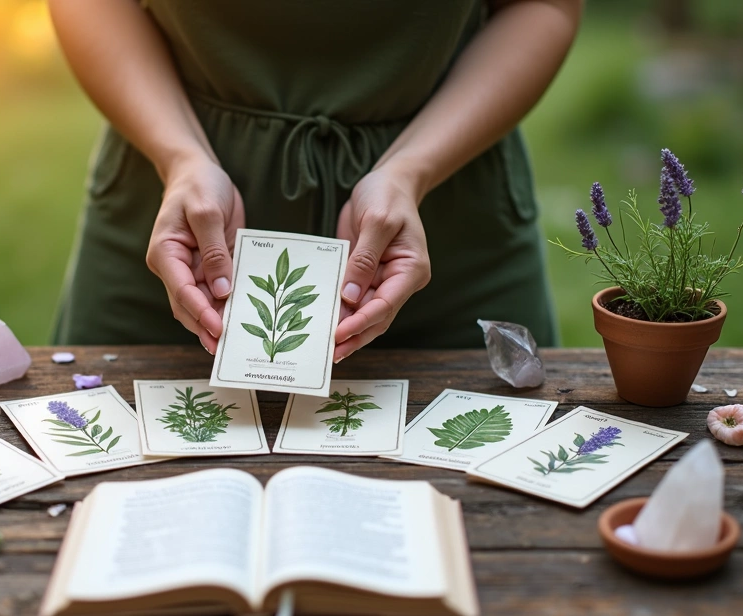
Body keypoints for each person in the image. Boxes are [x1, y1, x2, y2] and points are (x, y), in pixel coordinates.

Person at [48, 0, 582, 360]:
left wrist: (409, 171)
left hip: (446, 222)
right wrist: (178, 155)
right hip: (175, 226)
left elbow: (544, 4)